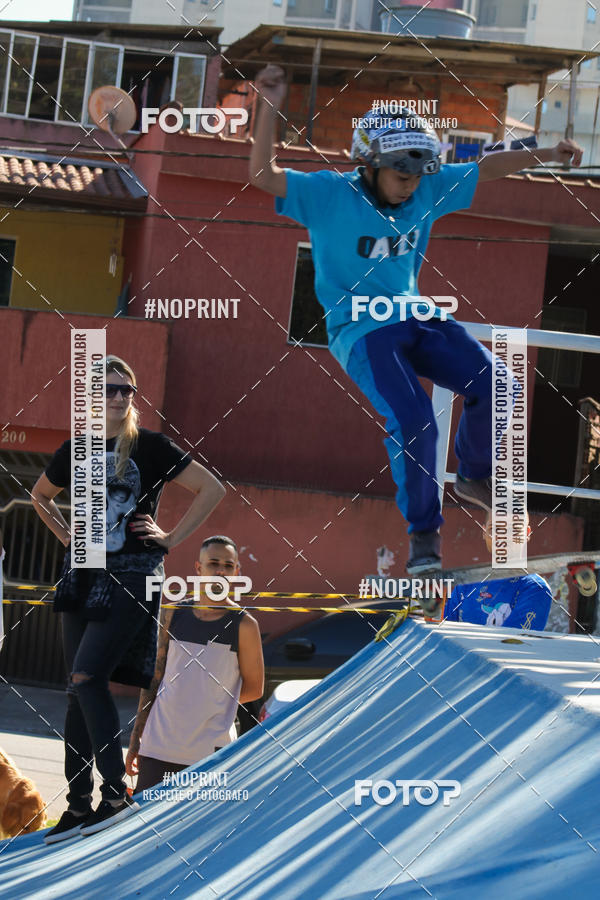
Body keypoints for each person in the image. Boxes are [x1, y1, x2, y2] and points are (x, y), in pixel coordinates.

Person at [249, 64, 583, 574]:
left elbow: (487, 168)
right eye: (400, 176)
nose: (408, 189)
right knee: (415, 420)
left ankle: (475, 476)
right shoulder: (327, 194)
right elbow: (261, 176)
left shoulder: (426, 187)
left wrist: (548, 154)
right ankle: (424, 537)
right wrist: (269, 106)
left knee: (500, 383)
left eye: (414, 179)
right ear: (369, 163)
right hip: (359, 329)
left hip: (413, 314)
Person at [32, 355, 225, 843]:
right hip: (81, 576)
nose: (119, 398)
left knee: (88, 675)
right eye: (109, 390)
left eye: (127, 390)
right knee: (76, 688)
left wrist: (171, 537)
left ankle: (115, 795)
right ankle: (77, 806)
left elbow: (211, 488)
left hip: (135, 574)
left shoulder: (152, 447)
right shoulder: (77, 448)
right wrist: (69, 539)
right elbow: (40, 496)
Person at [126, 535, 264, 793]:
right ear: (199, 568)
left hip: (210, 756)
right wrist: (135, 742)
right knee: (144, 826)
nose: (220, 571)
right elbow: (153, 680)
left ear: (237, 572)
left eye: (228, 565)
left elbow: (254, 689)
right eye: (213, 563)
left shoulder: (245, 625)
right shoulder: (172, 613)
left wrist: (209, 702)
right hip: (158, 749)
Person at [443, 512, 552, 629]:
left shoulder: (534, 588)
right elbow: (442, 633)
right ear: (484, 532)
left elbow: (509, 645)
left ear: (526, 533)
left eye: (512, 529)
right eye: (494, 528)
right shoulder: (466, 583)